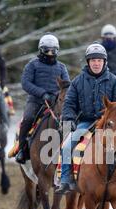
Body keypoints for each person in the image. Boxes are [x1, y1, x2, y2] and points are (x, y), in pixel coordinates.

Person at [55, 43, 116, 194]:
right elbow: (69, 103)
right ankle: (66, 180)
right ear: (88, 62)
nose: (96, 63)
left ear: (104, 62)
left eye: (99, 60)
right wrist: (69, 119)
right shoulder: (77, 81)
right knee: (67, 146)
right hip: (85, 123)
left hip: (109, 124)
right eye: (93, 60)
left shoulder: (115, 81)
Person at [15, 34, 70, 164]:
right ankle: (22, 149)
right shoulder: (32, 65)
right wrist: (42, 93)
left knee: (68, 121)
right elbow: (25, 83)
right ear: (41, 50)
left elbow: (67, 85)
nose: (50, 53)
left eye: (53, 50)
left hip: (56, 101)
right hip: (36, 100)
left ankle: (69, 149)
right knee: (28, 118)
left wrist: (57, 95)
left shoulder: (62, 67)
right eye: (47, 50)